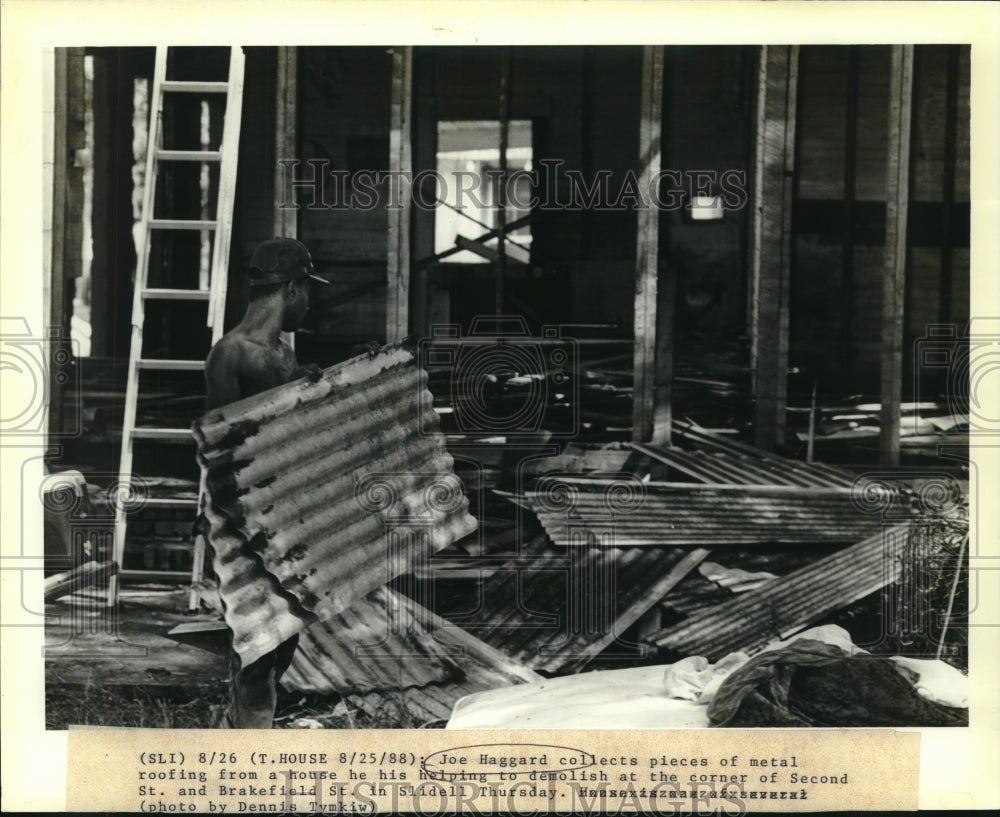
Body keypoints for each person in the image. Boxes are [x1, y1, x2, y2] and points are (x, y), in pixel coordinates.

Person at [204, 237, 327, 728]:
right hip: (249, 528)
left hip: (285, 521)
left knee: (284, 641)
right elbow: (220, 447)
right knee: (257, 649)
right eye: (308, 291)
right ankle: (247, 750)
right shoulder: (230, 354)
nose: (311, 302)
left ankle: (252, 730)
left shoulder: (282, 354)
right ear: (292, 289)